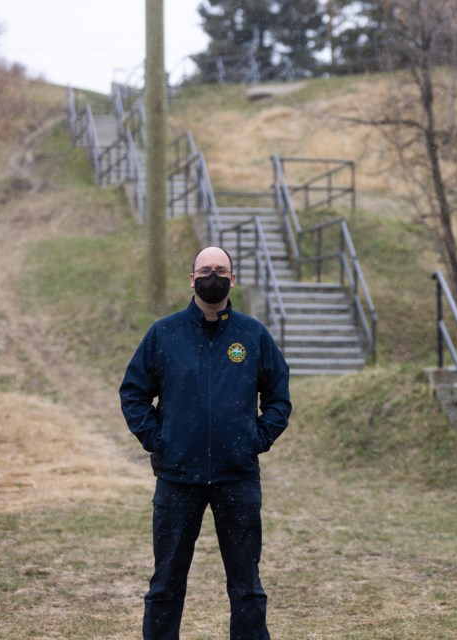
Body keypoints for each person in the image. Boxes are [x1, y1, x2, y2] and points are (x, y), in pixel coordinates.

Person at [120, 246, 291, 640]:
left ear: (232, 280)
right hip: (178, 479)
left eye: (221, 270)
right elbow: (133, 393)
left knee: (247, 585)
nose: (212, 276)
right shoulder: (164, 334)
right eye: (204, 270)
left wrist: (256, 439)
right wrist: (158, 441)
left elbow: (279, 397)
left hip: (237, 478)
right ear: (191, 278)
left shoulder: (253, 335)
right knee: (166, 584)